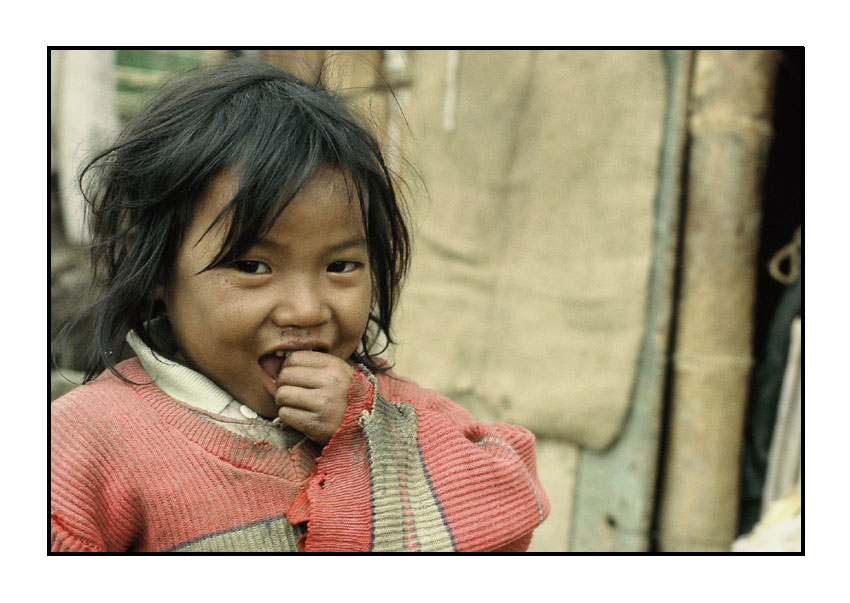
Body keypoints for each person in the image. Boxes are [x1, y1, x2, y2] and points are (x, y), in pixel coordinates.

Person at [51, 58, 549, 552]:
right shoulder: (87, 443)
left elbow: (512, 500)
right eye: (252, 267)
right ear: (159, 269)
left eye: (340, 266)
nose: (308, 309)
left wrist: (367, 430)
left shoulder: (386, 405)